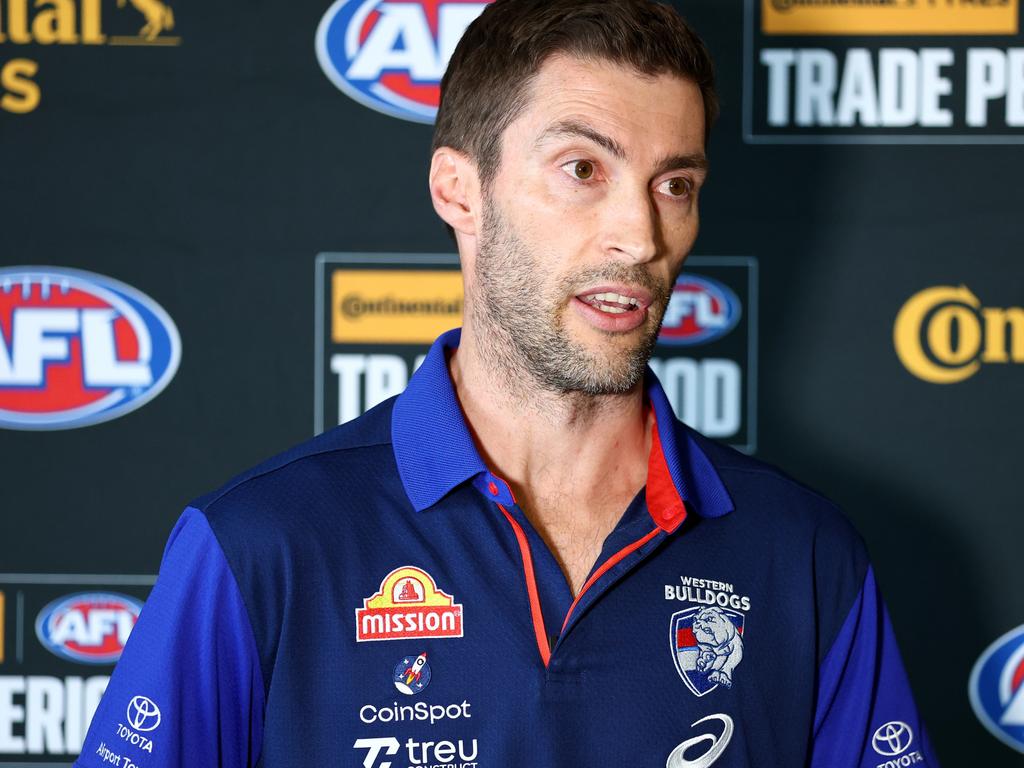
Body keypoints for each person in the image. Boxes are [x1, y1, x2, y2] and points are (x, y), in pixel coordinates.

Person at [73, 1, 938, 766]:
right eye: (582, 169)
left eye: (674, 184)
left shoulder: (803, 553)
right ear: (460, 190)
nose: (639, 235)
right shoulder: (263, 544)